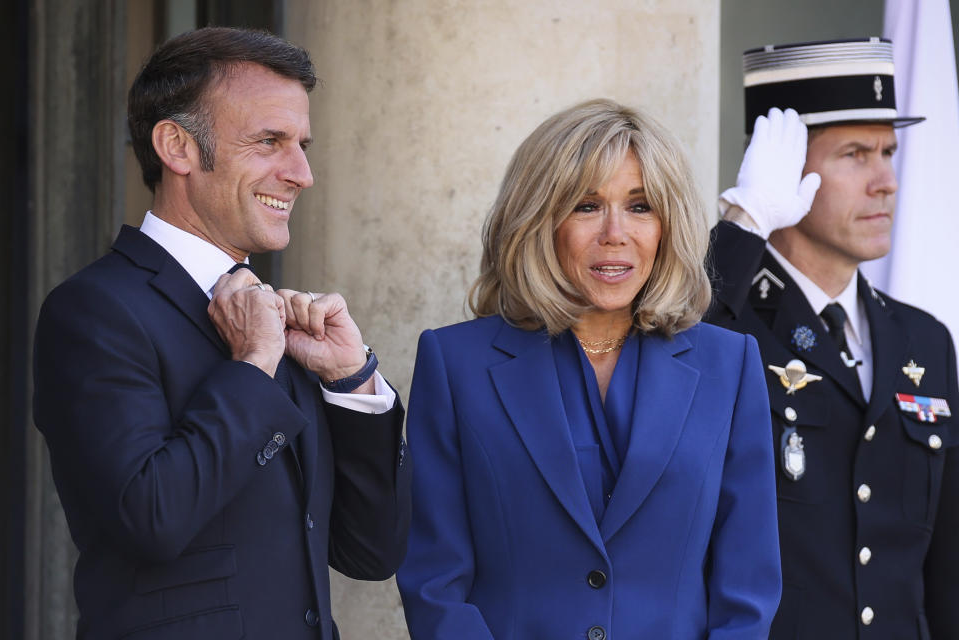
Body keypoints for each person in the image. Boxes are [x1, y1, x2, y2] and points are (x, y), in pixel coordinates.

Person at [32, 27, 410, 640]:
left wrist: (353, 382)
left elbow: (372, 553)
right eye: (269, 141)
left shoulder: (275, 316)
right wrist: (253, 364)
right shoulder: (93, 312)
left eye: (301, 145)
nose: (302, 174)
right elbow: (152, 519)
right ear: (177, 146)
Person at [397, 99, 781, 639]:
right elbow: (435, 583)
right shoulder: (455, 363)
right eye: (586, 205)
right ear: (539, 219)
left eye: (641, 206)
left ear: (668, 226)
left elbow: (748, 589)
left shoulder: (729, 365)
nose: (615, 232)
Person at [708, 37, 959, 638]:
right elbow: (665, 368)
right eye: (855, 153)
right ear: (785, 165)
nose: (887, 181)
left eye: (888, 152)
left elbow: (945, 568)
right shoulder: (725, 318)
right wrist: (743, 225)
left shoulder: (923, 338)